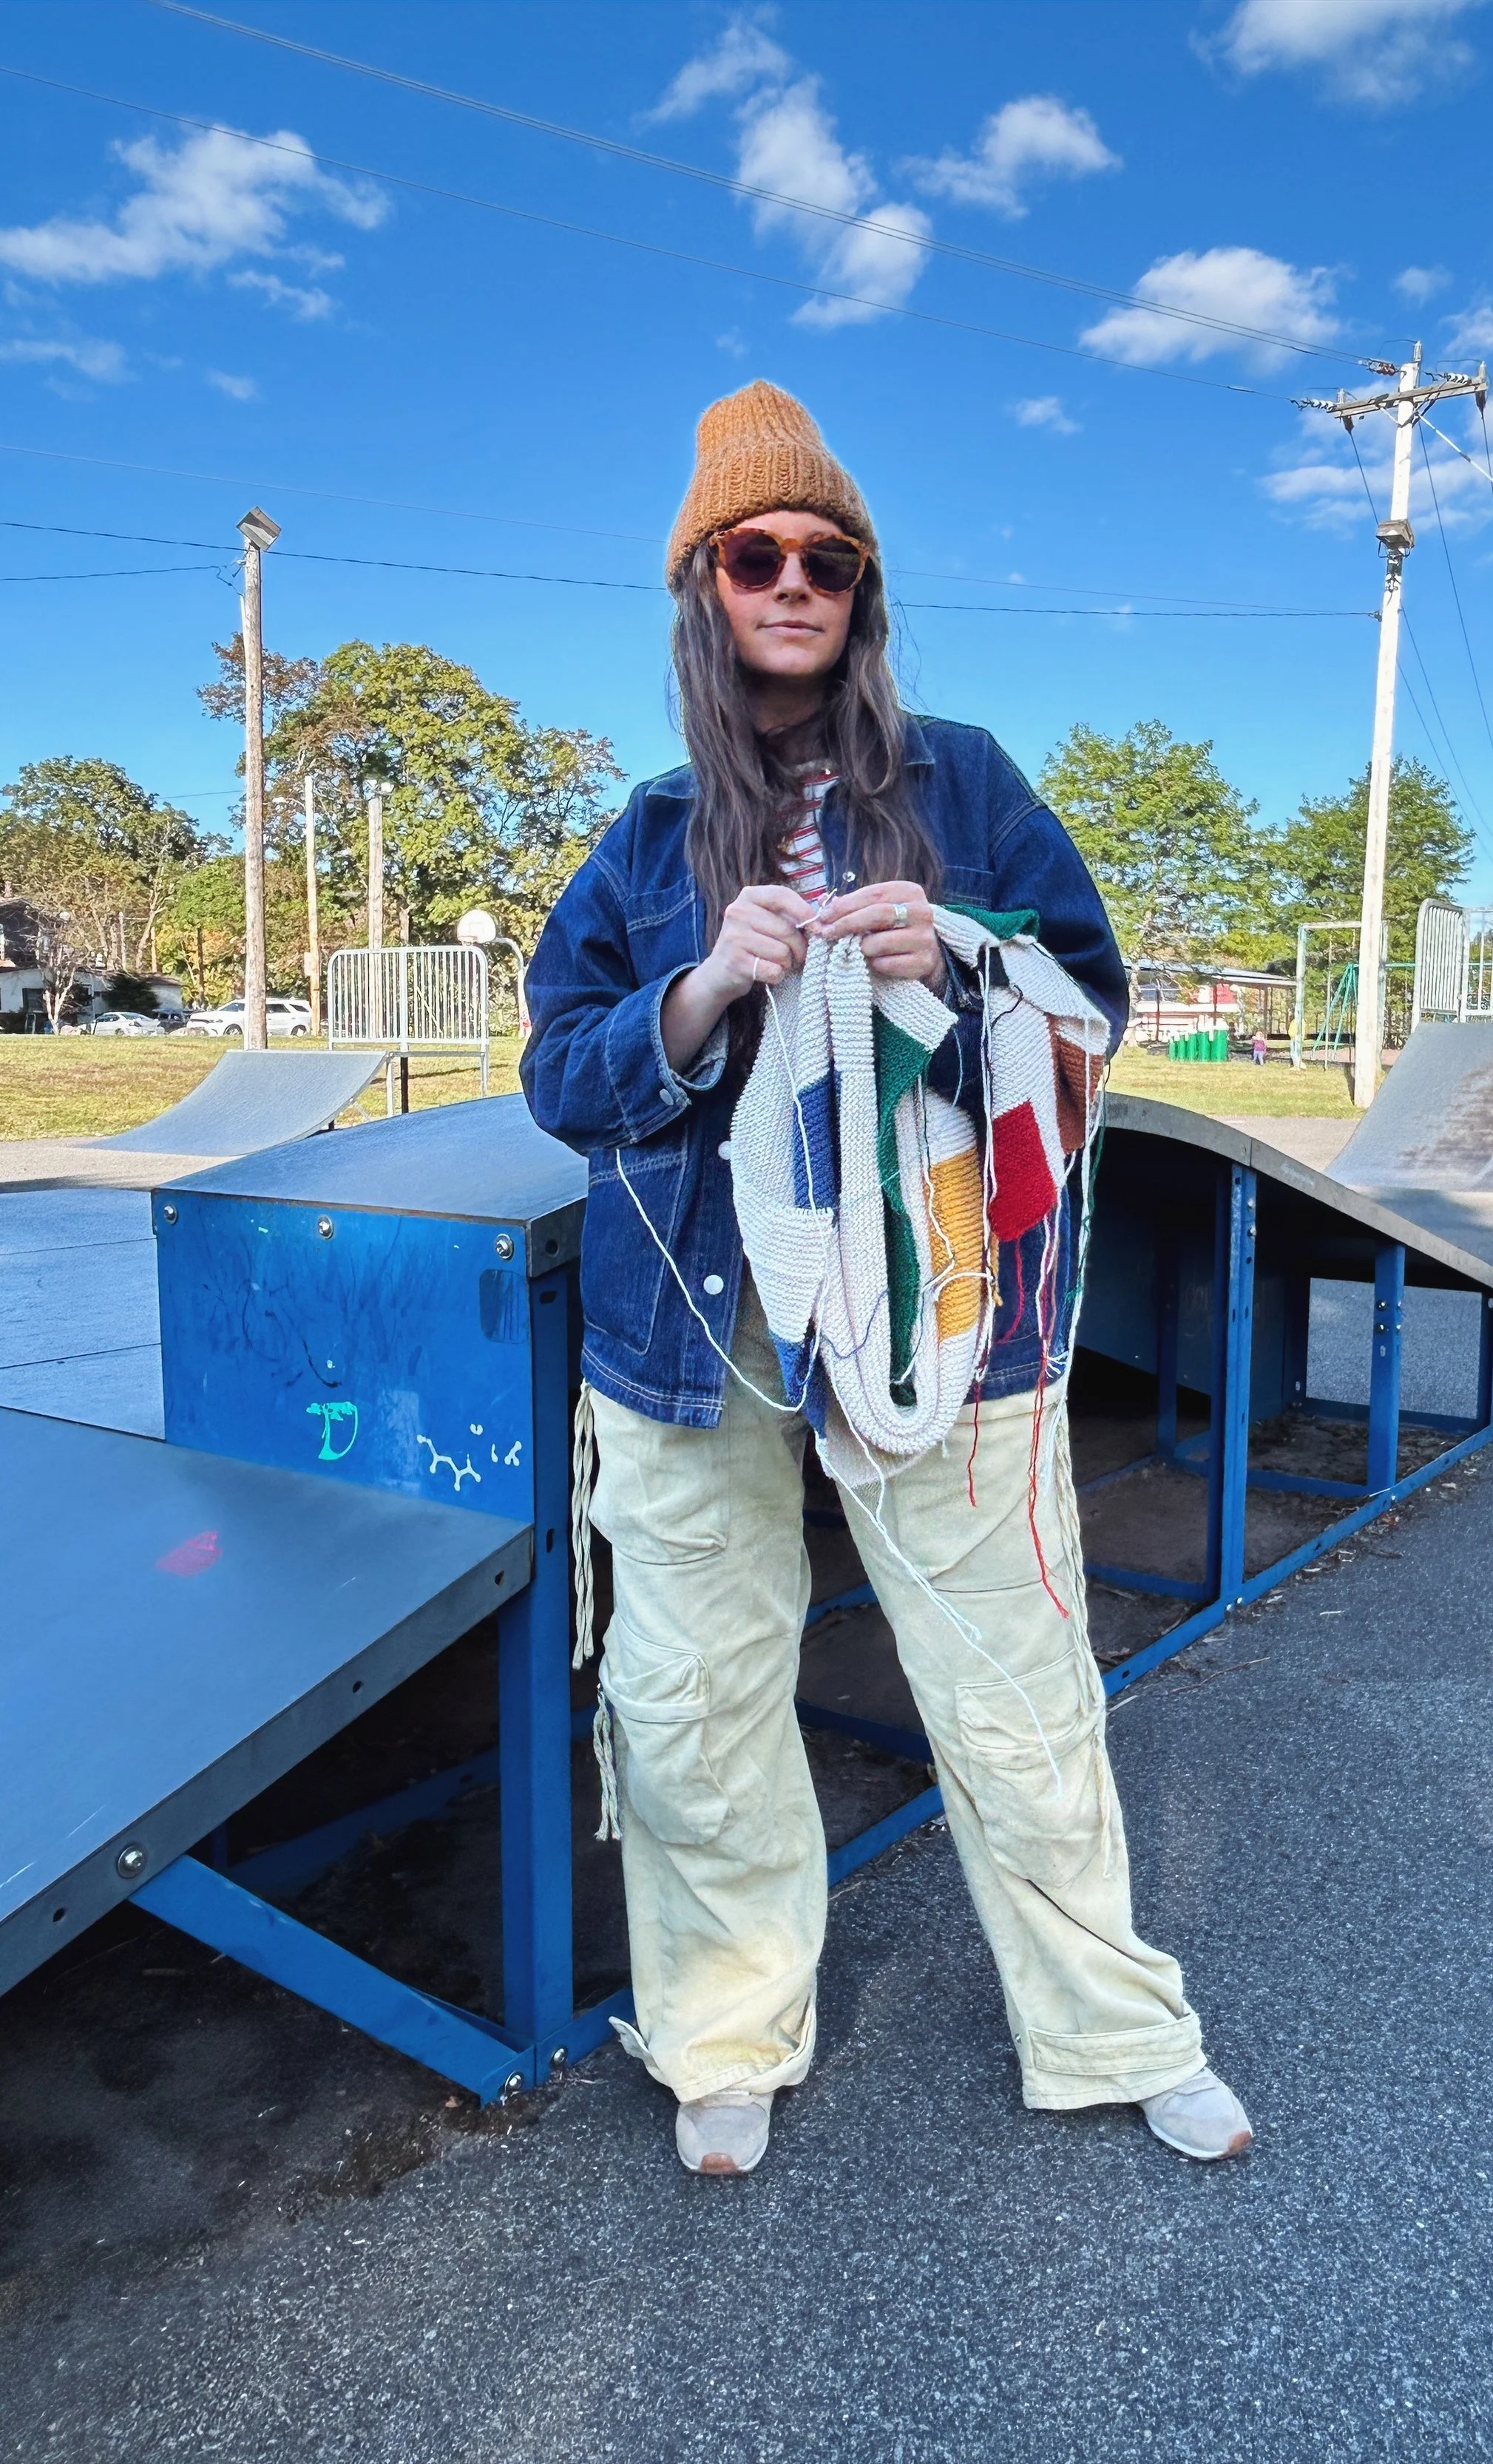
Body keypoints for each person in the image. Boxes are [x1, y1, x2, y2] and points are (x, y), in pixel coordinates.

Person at [522, 381, 1252, 2177]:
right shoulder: (641, 835)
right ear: (704, 586)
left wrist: (963, 943)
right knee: (691, 1698)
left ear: (859, 588)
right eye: (754, 555)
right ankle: (722, 2032)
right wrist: (695, 995)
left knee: (1013, 1680)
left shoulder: (968, 782)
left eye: (826, 559)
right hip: (690, 1331)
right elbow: (557, 1073)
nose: (793, 582)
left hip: (947, 1306)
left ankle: (1109, 2026)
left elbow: (1093, 1005)